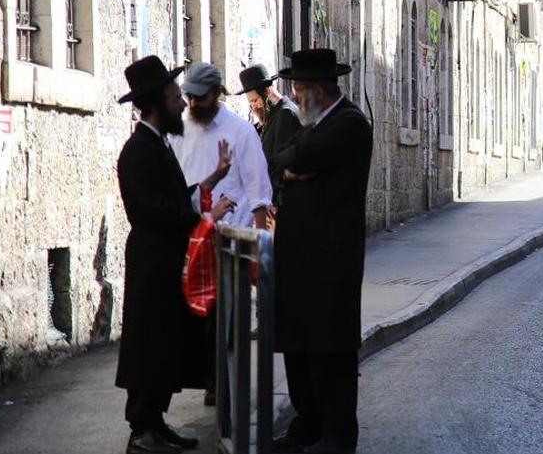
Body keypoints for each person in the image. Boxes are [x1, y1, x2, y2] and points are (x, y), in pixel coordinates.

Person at [115, 56, 235, 454]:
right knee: (149, 346)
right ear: (154, 104)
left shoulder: (158, 144)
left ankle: (155, 422)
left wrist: (213, 178)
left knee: (164, 345)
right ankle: (142, 430)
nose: (182, 104)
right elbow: (152, 210)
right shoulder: (138, 151)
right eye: (173, 98)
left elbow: (174, 197)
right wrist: (204, 217)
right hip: (152, 264)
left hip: (165, 263)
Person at [271, 49, 373, 454]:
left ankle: (337, 435)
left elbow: (299, 155)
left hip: (330, 261)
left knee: (330, 351)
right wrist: (292, 167)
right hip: (300, 261)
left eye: (298, 89)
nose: (294, 97)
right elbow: (281, 158)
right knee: (300, 348)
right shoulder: (313, 125)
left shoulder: (349, 123)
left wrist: (295, 164)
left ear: (316, 90)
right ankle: (307, 426)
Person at [168, 62, 273, 404]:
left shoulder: (240, 132)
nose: (194, 104)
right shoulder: (179, 130)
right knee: (196, 315)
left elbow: (258, 190)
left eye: (200, 97)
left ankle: (221, 383)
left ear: (216, 93)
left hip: (231, 240)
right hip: (193, 236)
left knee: (225, 316)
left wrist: (259, 244)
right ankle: (206, 376)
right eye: (190, 98)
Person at [236, 63, 301, 202]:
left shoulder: (285, 114)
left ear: (268, 92)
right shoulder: (270, 118)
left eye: (255, 100)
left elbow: (280, 167)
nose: (253, 107)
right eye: (250, 103)